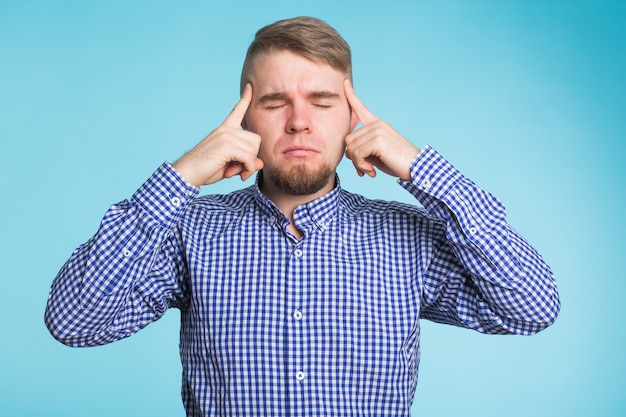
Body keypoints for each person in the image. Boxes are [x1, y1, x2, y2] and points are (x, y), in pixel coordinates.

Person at [45, 16, 560, 417]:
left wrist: (424, 171)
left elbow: (532, 307)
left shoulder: (410, 238)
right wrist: (179, 178)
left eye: (321, 101)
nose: (298, 122)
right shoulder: (187, 231)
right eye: (274, 103)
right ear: (244, 120)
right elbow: (73, 322)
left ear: (352, 118)